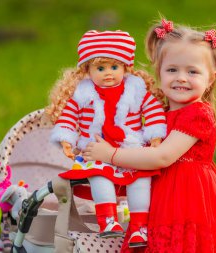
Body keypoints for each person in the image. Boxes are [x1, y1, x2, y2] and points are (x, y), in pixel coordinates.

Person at [82, 19, 216, 252]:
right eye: (172, 70)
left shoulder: (198, 115)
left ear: (210, 79)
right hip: (162, 198)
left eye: (193, 71)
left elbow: (162, 157)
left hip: (189, 201)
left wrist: (111, 154)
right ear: (159, 72)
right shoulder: (161, 115)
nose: (181, 77)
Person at [45, 30, 167, 247]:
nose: (108, 73)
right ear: (87, 70)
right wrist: (67, 139)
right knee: (99, 178)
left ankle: (139, 227)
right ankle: (108, 221)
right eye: (100, 68)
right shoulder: (83, 94)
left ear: (125, 67)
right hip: (95, 149)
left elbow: (153, 110)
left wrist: (155, 135)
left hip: (131, 149)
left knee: (140, 181)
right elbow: (68, 116)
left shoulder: (135, 89)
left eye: (114, 67)